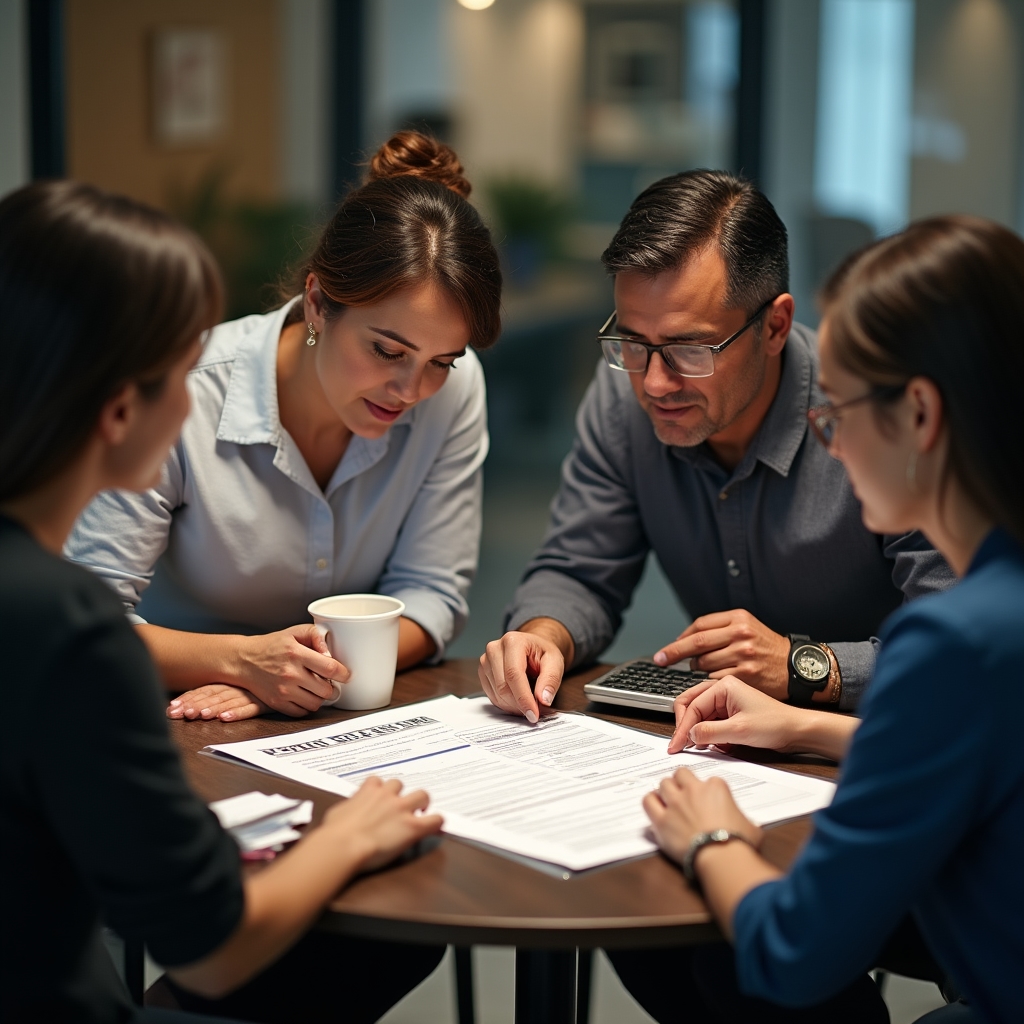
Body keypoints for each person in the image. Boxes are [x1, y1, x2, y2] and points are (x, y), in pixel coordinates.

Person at [0, 180, 447, 1024]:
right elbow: (212, 953)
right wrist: (353, 832)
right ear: (121, 405)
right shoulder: (67, 630)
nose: (194, 398)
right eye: (182, 370)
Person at [612, 215, 1024, 1023]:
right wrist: (805, 729)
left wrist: (712, 836)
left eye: (834, 413)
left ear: (919, 416)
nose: (829, 448)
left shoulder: (954, 640)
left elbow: (793, 951)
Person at [478, 170, 954, 722]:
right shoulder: (620, 396)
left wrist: (808, 665)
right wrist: (541, 637)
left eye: (689, 349)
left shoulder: (874, 415)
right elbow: (580, 568)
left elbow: (964, 641)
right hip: (728, 745)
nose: (654, 383)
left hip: (900, 741)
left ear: (775, 327)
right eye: (632, 341)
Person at [65, 131, 501, 723]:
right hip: (167, 711)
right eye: (387, 350)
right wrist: (242, 663)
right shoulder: (184, 390)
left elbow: (431, 595)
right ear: (319, 303)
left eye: (440, 362)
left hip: (331, 714)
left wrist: (298, 676)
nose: (411, 390)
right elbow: (83, 625)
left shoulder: (456, 389)